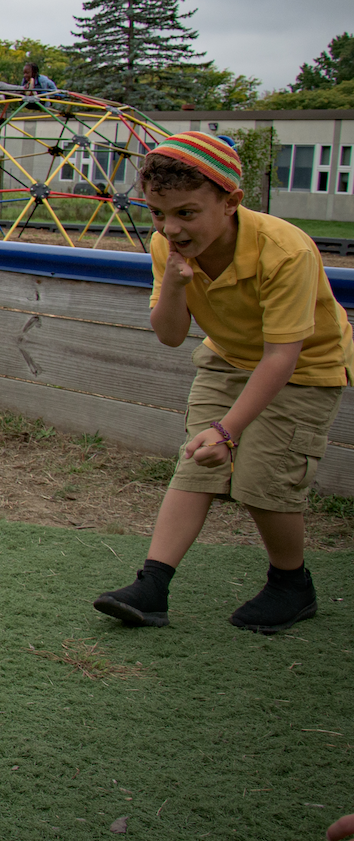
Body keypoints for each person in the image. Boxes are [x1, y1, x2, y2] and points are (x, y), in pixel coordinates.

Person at [93, 132, 352, 635]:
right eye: (157, 213)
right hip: (226, 358)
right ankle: (153, 586)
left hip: (304, 368)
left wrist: (229, 430)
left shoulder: (286, 251)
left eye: (187, 214)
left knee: (263, 479)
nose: (171, 228)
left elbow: (281, 357)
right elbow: (170, 335)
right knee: (196, 464)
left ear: (230, 202)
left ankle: (291, 584)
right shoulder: (167, 245)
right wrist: (173, 284)